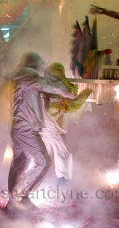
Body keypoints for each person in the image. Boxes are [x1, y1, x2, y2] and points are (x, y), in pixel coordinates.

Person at [6, 52, 78, 212]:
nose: (42, 69)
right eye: (40, 66)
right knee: (43, 161)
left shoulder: (23, 77)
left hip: (21, 128)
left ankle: (13, 202)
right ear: (35, 66)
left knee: (19, 165)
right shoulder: (28, 78)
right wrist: (70, 91)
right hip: (26, 129)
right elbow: (50, 86)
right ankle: (22, 197)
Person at [40, 62, 91, 188]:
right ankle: (62, 180)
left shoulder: (43, 82)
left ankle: (33, 179)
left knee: (42, 152)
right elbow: (72, 94)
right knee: (62, 152)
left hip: (44, 123)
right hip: (54, 124)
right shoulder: (57, 84)